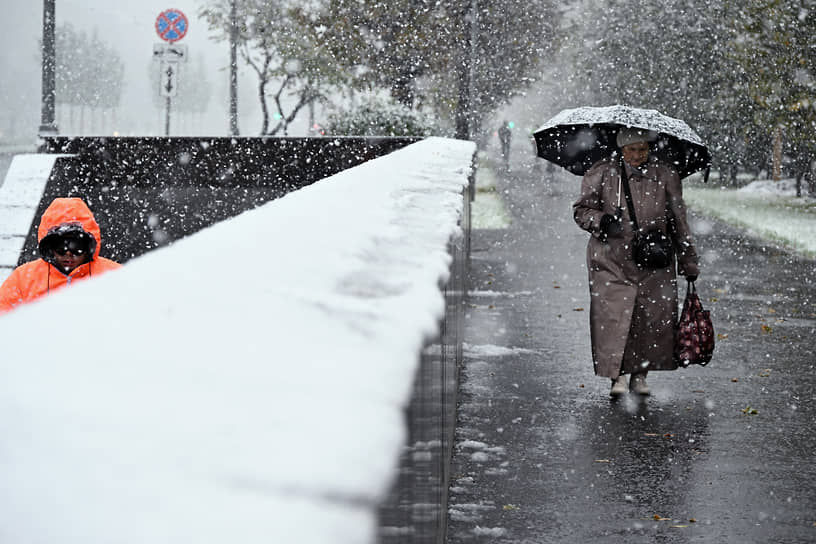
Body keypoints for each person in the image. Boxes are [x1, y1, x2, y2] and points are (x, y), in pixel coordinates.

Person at [572, 127, 699, 397]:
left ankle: (641, 374)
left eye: (643, 149)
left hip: (654, 258)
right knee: (614, 318)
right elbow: (582, 210)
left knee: (650, 318)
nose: (638, 155)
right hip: (611, 259)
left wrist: (688, 260)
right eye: (632, 150)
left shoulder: (666, 175)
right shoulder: (603, 172)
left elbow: (679, 221)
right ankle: (616, 376)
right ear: (621, 149)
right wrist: (600, 220)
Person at [0, 197, 121, 314]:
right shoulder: (23, 279)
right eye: (60, 246)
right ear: (50, 247)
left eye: (76, 245)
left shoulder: (113, 275)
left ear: (87, 245)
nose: (68, 254)